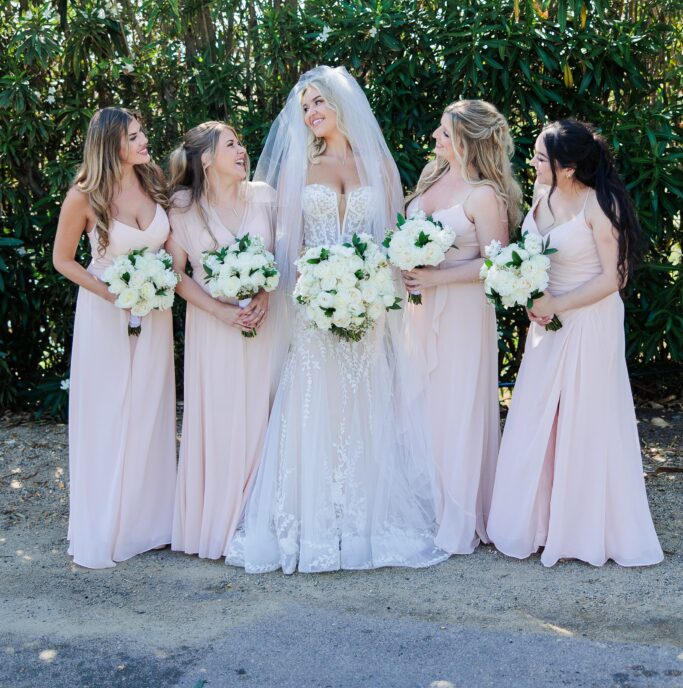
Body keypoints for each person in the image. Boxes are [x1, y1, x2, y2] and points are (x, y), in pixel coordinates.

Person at [227, 66, 447, 574]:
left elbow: (392, 239)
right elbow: (290, 242)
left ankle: (364, 521)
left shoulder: (380, 166)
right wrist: (320, 281)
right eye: (305, 107)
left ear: (343, 105)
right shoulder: (300, 166)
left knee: (365, 400)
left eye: (319, 102)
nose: (311, 113)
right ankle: (312, 520)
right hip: (314, 302)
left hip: (367, 301)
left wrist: (370, 284)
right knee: (314, 400)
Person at [487, 118, 663, 567]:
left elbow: (615, 277)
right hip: (548, 322)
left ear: (566, 167)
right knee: (536, 416)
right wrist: (527, 293)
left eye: (541, 158)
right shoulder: (542, 196)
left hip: (590, 320)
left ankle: (582, 530)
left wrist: (559, 302)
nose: (533, 162)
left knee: (584, 418)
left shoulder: (599, 206)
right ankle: (540, 522)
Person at [52, 107, 176, 569]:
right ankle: (107, 524)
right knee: (109, 413)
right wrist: (115, 295)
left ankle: (148, 524)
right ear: (111, 145)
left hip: (155, 313)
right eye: (135, 136)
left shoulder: (155, 182)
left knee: (150, 409)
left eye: (143, 133)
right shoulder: (84, 196)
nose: (145, 141)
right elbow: (64, 261)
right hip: (106, 313)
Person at [403, 100, 522, 554]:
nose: (436, 137)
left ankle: (460, 512)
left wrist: (437, 277)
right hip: (418, 310)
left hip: (462, 310)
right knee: (422, 403)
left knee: (456, 402)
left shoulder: (484, 194)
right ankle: (426, 506)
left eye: (445, 133)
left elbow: (497, 263)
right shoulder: (430, 180)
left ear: (469, 142)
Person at [166, 122, 276, 560]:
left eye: (241, 143)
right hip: (213, 326)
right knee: (222, 415)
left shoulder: (264, 196)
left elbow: (284, 256)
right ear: (206, 159)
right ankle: (217, 522)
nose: (242, 150)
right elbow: (175, 275)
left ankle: (258, 518)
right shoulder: (182, 207)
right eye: (231, 144)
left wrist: (265, 295)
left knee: (264, 413)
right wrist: (221, 311)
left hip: (265, 322)